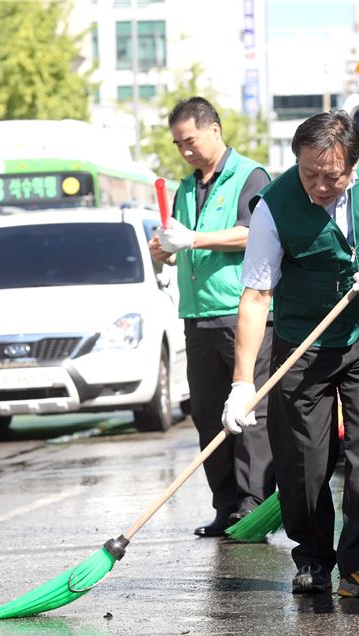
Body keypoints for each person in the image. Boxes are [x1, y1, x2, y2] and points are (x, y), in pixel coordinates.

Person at [222, 110, 359, 597]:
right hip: (304, 344)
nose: (318, 185)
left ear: (353, 165)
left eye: (330, 176)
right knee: (304, 458)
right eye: (308, 172)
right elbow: (256, 295)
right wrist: (242, 384)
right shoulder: (274, 207)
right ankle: (312, 557)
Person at [149, 97, 275, 537]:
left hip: (242, 310)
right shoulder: (186, 188)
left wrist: (193, 239)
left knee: (249, 413)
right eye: (178, 144)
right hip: (197, 314)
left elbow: (251, 233)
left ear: (214, 130)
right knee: (207, 414)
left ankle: (253, 505)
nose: (185, 150)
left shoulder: (250, 175)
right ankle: (225, 505)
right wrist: (165, 249)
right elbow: (180, 246)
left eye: (190, 140)